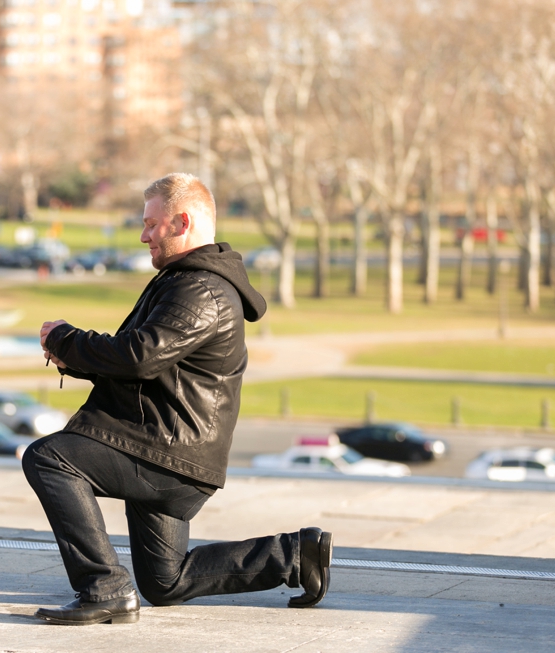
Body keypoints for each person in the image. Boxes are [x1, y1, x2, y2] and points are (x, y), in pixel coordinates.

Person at [25, 173, 333, 626]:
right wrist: (73, 359)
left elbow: (139, 356)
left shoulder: (202, 289)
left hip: (167, 453)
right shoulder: (183, 281)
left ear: (182, 222)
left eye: (152, 224)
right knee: (165, 582)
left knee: (49, 459)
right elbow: (146, 359)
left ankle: (103, 587)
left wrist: (69, 339)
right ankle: (293, 555)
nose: (143, 234)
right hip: (160, 443)